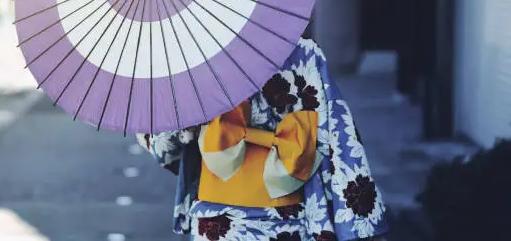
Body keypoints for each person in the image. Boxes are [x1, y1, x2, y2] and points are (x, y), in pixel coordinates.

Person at [136, 37, 389, 241]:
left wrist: (187, 126)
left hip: (217, 221)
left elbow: (162, 145)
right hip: (287, 214)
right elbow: (338, 140)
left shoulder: (194, 61)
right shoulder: (303, 54)